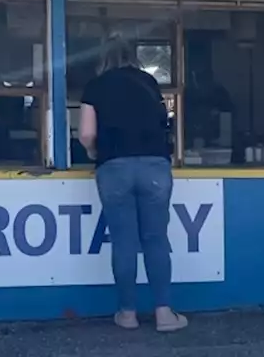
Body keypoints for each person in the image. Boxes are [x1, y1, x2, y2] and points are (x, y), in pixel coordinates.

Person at [78, 34, 188, 333]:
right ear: (134, 56)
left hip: (114, 167)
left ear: (102, 57)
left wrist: (93, 152)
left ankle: (127, 314)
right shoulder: (149, 83)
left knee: (124, 241)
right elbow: (165, 121)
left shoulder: (95, 86)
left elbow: (87, 134)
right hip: (154, 165)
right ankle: (164, 314)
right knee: (155, 239)